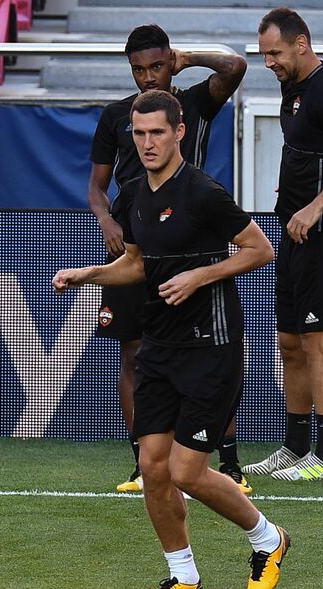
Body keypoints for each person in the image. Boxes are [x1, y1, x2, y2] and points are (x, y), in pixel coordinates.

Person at [55, 91, 291, 589]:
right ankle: (183, 576)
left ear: (179, 132)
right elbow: (137, 263)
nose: (147, 143)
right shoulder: (135, 191)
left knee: (187, 471)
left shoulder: (204, 192)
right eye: (138, 134)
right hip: (158, 348)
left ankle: (268, 540)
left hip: (211, 347)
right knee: (154, 469)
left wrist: (200, 275)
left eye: (157, 132)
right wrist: (87, 274)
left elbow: (261, 249)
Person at [89, 24, 251, 495]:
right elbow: (97, 187)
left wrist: (186, 57)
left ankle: (230, 464)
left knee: (207, 354)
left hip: (189, 240)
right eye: (139, 69)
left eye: (157, 66)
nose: (148, 77)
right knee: (135, 351)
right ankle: (143, 463)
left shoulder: (195, 103)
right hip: (134, 244)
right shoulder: (116, 116)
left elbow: (236, 65)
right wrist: (108, 222)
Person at [245, 7, 323, 482]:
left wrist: (316, 204)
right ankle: (295, 446)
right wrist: (294, 191)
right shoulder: (292, 88)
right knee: (288, 342)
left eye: (275, 52)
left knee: (322, 343)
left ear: (302, 43)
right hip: (294, 234)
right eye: (264, 55)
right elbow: (313, 151)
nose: (269, 62)